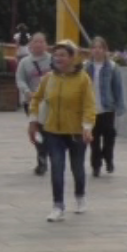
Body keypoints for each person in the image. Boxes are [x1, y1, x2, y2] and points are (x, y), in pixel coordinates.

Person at [29, 40, 97, 222]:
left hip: (76, 132)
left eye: (63, 55)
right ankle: (58, 205)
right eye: (56, 55)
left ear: (72, 58)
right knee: (57, 168)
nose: (58, 58)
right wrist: (33, 121)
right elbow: (36, 99)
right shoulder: (49, 78)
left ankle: (80, 196)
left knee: (77, 168)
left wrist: (87, 127)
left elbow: (90, 105)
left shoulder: (83, 79)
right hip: (53, 131)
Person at [85, 36, 125, 177]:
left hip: (107, 108)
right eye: (94, 47)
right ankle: (96, 165)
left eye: (100, 47)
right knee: (93, 139)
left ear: (105, 50)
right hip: (91, 109)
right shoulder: (86, 67)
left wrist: (119, 106)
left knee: (109, 137)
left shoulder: (112, 67)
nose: (97, 50)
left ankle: (108, 158)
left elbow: (117, 88)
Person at [16, 32, 53, 175]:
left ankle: (46, 153)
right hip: (32, 101)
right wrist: (27, 92)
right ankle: (42, 158)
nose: (38, 44)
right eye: (35, 42)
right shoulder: (24, 62)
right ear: (30, 45)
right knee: (37, 129)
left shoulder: (52, 60)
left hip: (50, 102)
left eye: (41, 42)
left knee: (47, 130)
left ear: (46, 44)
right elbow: (20, 79)